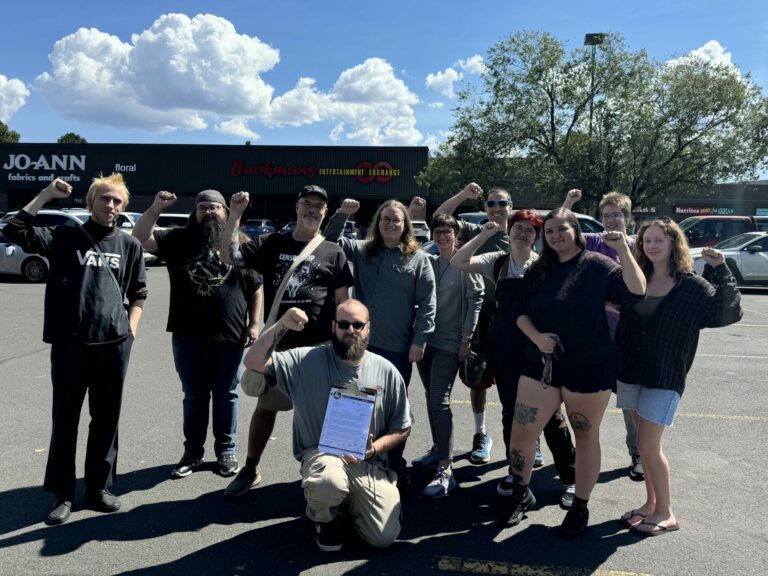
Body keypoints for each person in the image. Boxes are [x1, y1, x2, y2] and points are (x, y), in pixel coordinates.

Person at [4, 175, 147, 525]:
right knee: (65, 420)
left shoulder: (129, 245)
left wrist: (131, 329)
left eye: (117, 201)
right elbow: (14, 228)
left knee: (106, 421)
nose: (110, 206)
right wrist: (47, 194)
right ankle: (62, 493)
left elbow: (140, 292)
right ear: (91, 202)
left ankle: (97, 488)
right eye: (104, 199)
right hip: (71, 345)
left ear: (123, 207)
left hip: (113, 346)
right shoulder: (66, 236)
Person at [501, 208, 646, 537]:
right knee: (522, 431)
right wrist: (537, 338)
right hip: (541, 364)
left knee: (585, 436)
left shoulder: (598, 265)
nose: (554, 235)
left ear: (575, 231)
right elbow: (520, 313)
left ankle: (580, 506)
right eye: (549, 231)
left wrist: (623, 249)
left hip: (589, 365)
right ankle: (521, 493)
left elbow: (637, 290)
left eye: (561, 229)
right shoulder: (539, 270)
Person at [243, 300, 411, 552]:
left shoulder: (387, 371)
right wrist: (281, 326)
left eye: (358, 324)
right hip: (322, 457)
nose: (351, 330)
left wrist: (373, 449)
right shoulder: (306, 360)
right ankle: (324, 517)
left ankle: (345, 505)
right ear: (333, 327)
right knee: (328, 482)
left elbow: (403, 427)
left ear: (368, 329)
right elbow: (254, 361)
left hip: (366, 463)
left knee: (382, 537)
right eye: (343, 324)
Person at [220, 184, 353, 497]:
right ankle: (251, 468)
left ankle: (326, 475)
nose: (312, 210)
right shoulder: (273, 242)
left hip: (320, 349)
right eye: (307, 203)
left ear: (325, 212)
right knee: (266, 408)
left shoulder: (334, 251)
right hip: (280, 348)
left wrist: (347, 345)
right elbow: (228, 257)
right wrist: (235, 214)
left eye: (318, 206)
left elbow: (344, 303)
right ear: (297, 207)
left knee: (325, 415)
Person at [616, 218, 742, 536]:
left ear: (674, 244)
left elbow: (727, 312)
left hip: (666, 374)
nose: (653, 245)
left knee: (648, 443)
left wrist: (720, 269)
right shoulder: (636, 279)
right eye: (647, 241)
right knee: (643, 448)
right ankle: (650, 504)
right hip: (631, 370)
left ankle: (666, 512)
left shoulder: (691, 286)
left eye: (660, 240)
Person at [132, 189, 262, 479]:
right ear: (195, 212)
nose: (209, 212)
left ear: (225, 212)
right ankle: (192, 452)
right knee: (194, 396)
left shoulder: (241, 242)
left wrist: (254, 323)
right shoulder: (178, 239)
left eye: (215, 207)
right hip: (187, 333)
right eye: (203, 207)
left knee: (227, 395)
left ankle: (226, 451)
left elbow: (255, 286)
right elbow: (140, 237)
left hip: (230, 334)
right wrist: (155, 207)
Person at [452, 212, 577, 508]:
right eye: (517, 228)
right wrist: (483, 235)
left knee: (550, 415)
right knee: (511, 413)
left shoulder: (546, 264)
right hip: (505, 346)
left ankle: (570, 478)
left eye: (530, 230)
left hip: (538, 346)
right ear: (509, 231)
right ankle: (516, 475)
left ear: (537, 236)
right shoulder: (496, 260)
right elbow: (457, 261)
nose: (523, 234)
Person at [324, 198, 435, 485]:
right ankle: (347, 463)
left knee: (393, 408)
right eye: (385, 219)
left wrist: (420, 339)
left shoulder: (417, 258)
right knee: (353, 403)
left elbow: (427, 303)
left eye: (396, 220)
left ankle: (394, 463)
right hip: (358, 344)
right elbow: (329, 240)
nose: (390, 224)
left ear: (405, 224)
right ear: (378, 222)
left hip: (397, 347)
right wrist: (341, 214)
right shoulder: (363, 250)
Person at [563, 188, 644, 481]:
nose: (610, 220)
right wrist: (570, 203)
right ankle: (578, 458)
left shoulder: (640, 246)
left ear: (627, 218)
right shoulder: (594, 241)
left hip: (629, 338)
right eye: (606, 215)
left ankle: (638, 454)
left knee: (630, 402)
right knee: (582, 401)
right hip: (595, 337)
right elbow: (562, 228)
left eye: (616, 215)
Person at [433, 183, 514, 465]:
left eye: (502, 203)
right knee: (477, 380)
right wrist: (463, 195)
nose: (496, 208)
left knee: (514, 384)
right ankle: (481, 435)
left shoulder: (519, 233)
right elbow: (440, 216)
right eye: (491, 204)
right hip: (478, 321)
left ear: (510, 207)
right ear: (484, 208)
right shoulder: (473, 230)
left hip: (512, 323)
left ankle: (528, 441)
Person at [411, 213, 483, 498]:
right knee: (431, 397)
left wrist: (466, 339)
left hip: (450, 344)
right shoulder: (427, 261)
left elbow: (475, 301)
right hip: (425, 342)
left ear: (456, 235)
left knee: (439, 401)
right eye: (437, 232)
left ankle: (446, 469)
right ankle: (438, 448)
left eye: (447, 232)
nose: (442, 237)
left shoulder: (465, 262)